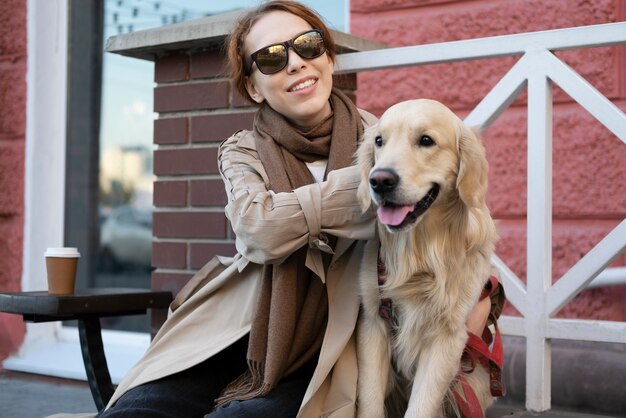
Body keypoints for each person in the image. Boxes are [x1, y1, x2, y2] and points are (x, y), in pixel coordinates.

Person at [94, 1, 495, 417]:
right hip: (238, 329)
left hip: (326, 350)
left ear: (328, 57)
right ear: (253, 87)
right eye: (270, 57)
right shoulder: (244, 150)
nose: (296, 63)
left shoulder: (387, 135)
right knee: (139, 410)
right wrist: (361, 182)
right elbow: (258, 230)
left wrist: (485, 295)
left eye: (308, 45)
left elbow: (457, 223)